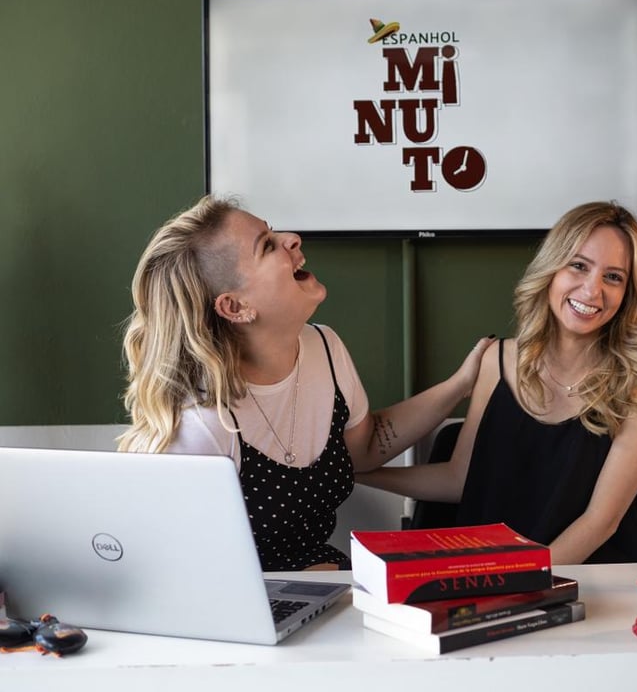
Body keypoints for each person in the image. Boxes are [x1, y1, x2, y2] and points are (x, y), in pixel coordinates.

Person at [117, 195, 490, 571]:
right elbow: (177, 572)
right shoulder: (202, 425)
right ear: (235, 307)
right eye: (266, 245)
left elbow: (364, 449)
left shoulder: (324, 346)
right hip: (247, 608)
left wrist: (461, 384)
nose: (292, 239)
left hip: (323, 584)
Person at [358, 201, 637, 565]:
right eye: (578, 266)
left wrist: (523, 581)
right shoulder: (496, 361)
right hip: (493, 573)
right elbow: (460, 479)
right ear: (552, 270)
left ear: (627, 293)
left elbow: (601, 522)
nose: (592, 291)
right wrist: (362, 473)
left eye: (613, 277)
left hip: (594, 582)